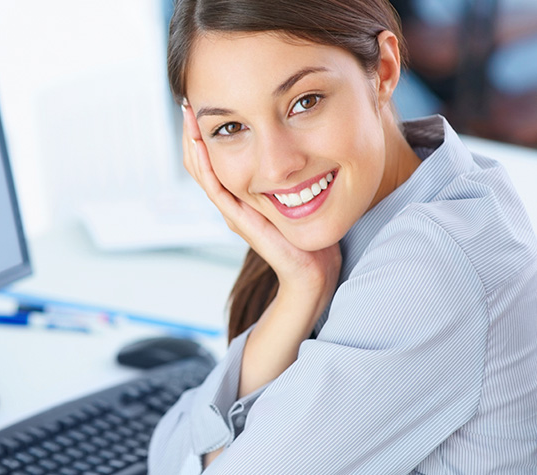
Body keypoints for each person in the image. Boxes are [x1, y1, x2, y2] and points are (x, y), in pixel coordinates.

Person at [147, 0, 537, 473]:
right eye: (230, 127)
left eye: (304, 102)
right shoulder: (414, 190)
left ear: (384, 71)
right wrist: (300, 290)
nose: (276, 165)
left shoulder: (428, 270)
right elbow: (171, 455)